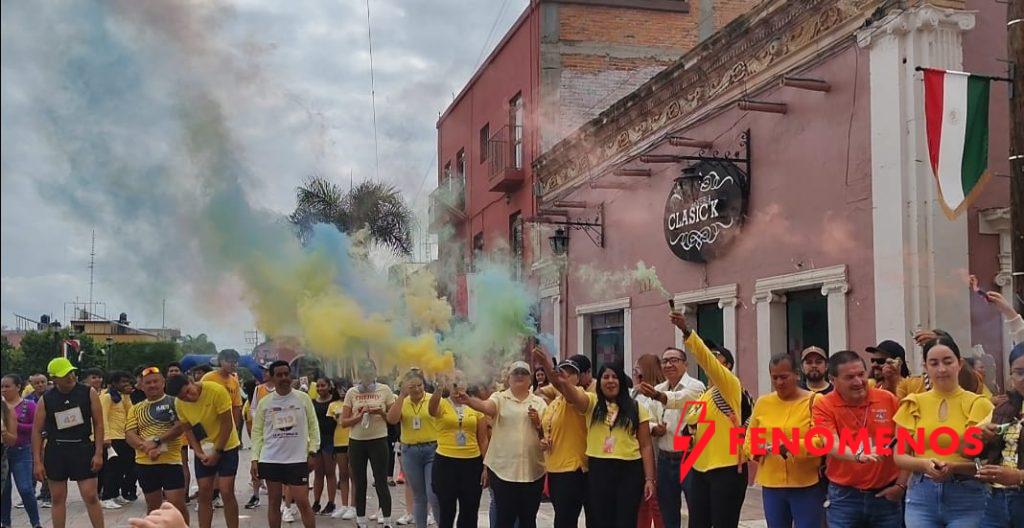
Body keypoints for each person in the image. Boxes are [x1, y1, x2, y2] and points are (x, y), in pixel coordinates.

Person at [540, 348, 656, 528]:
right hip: (599, 469)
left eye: (615, 377)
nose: (610, 381)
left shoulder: (637, 407)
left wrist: (649, 479)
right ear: (599, 382)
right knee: (601, 520)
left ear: (621, 381)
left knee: (626, 520)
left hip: (630, 471)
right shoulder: (592, 403)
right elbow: (567, 390)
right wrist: (551, 370)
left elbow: (646, 446)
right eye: (606, 377)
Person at [894, 334, 994, 527]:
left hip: (968, 495)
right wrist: (925, 465)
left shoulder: (980, 405)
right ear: (925, 367)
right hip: (921, 496)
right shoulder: (913, 403)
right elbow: (900, 456)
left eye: (948, 362)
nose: (941, 369)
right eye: (934, 363)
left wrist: (955, 467)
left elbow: (991, 461)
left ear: (959, 363)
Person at [667, 311, 749, 528]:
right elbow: (690, 428)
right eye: (710, 354)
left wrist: (686, 331)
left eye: (716, 356)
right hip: (700, 470)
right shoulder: (705, 394)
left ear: (728, 366)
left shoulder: (731, 386)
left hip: (727, 469)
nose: (711, 359)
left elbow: (705, 361)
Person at [811, 350, 906, 527]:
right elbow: (830, 443)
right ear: (833, 380)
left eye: (861, 374)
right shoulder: (824, 404)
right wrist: (857, 455)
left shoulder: (887, 399)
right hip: (844, 497)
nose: (858, 382)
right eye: (849, 377)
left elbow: (906, 443)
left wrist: (901, 486)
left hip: (885, 496)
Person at [456, 360, 548, 528]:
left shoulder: (539, 403)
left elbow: (546, 432)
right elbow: (486, 407)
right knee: (504, 519)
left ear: (530, 379)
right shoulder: (500, 398)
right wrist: (469, 401)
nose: (519, 376)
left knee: (528, 520)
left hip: (533, 472)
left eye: (523, 373)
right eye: (516, 373)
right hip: (503, 471)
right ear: (509, 378)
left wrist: (538, 422)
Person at [744, 354, 823, 528]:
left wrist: (791, 446)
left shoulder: (815, 401)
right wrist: (756, 450)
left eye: (784, 377)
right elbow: (750, 439)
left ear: (796, 374)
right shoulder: (763, 403)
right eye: (775, 377)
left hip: (806, 484)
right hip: (772, 485)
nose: (779, 382)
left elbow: (821, 441)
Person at [31, 357, 105, 528]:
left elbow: (99, 424)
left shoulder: (88, 392)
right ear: (54, 378)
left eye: (71, 372)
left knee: (91, 496)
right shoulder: (47, 399)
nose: (70, 377)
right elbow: (36, 431)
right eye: (64, 375)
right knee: (57, 498)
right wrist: (37, 461)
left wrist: (99, 452)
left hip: (82, 447)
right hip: (56, 450)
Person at [637, 347, 706, 528]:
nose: (669, 364)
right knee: (667, 512)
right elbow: (647, 418)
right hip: (665, 458)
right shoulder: (658, 388)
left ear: (685, 364)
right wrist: (654, 428)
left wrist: (657, 395)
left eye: (674, 360)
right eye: (665, 361)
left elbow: (680, 398)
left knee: (697, 509)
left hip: (690, 457)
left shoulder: (696, 386)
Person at [166, 374, 241, 528]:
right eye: (183, 397)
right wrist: (199, 453)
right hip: (205, 448)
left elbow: (227, 425)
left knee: (226, 491)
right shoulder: (179, 403)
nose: (188, 398)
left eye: (188, 392)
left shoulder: (216, 391)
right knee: (204, 491)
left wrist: (218, 451)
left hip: (226, 445)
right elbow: (189, 430)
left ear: (192, 382)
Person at [251, 360, 320, 528]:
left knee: (303, 502)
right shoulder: (265, 403)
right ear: (272, 378)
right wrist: (255, 458)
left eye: (286, 374)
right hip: (271, 459)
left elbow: (313, 426)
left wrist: (312, 452)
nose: (283, 378)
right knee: (274, 503)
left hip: (297, 460)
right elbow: (257, 432)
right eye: (279, 375)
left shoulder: (303, 399)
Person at [124, 366, 188, 523]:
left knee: (176, 505)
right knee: (153, 507)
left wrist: (157, 441)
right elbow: (129, 434)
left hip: (171, 461)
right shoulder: (136, 408)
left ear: (163, 382)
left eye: (155, 381)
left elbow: (180, 427)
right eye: (148, 382)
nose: (152, 385)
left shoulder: (174, 402)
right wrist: (145, 447)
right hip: (145, 463)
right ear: (142, 386)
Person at [339, 358, 398, 528]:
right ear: (359, 373)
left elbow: (393, 419)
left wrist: (380, 412)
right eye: (363, 370)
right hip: (357, 442)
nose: (366, 373)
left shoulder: (384, 390)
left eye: (370, 370)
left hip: (379, 440)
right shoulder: (352, 393)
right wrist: (358, 415)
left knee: (381, 481)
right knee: (359, 481)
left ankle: (387, 520)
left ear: (375, 372)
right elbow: (344, 422)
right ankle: (361, 520)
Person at [535, 356, 591, 528]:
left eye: (570, 373)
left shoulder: (578, 396)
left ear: (578, 377)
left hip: (573, 469)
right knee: (561, 518)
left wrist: (546, 365)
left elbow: (563, 388)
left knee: (565, 520)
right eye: (561, 372)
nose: (564, 376)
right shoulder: (555, 402)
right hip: (554, 468)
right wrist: (543, 440)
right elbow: (547, 430)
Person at [428, 371, 488, 528]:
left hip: (471, 463)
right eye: (453, 381)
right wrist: (439, 387)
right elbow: (431, 410)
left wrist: (485, 466)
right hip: (446, 462)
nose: (457, 384)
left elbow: (483, 439)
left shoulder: (475, 405)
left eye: (460, 380)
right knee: (447, 511)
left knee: (470, 510)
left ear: (467, 383)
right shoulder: (441, 403)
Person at [386, 369, 440, 528]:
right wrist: (402, 396)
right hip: (410, 451)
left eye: (419, 385)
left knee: (433, 494)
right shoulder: (402, 401)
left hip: (432, 450)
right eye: (412, 387)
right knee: (419, 496)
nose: (416, 389)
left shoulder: (432, 399)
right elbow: (391, 419)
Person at [977, 342, 1024, 527]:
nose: (1023, 378)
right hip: (995, 500)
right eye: (1019, 373)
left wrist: (1018, 477)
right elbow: (972, 453)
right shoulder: (1002, 409)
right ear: (1011, 375)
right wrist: (980, 437)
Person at [1, 374, 42, 528]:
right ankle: (5, 523)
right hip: (3, 453)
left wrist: (17, 426)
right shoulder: (2, 406)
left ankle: (35, 522)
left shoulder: (29, 405)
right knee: (4, 491)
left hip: (21, 450)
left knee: (25, 489)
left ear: (18, 387)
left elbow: (38, 426)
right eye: (2, 387)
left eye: (7, 386)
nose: (4, 390)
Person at [631, 353, 666, 528]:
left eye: (638, 368)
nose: (635, 372)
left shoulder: (659, 394)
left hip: (654, 453)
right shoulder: (634, 394)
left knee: (655, 502)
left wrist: (652, 427)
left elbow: (658, 422)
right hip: (635, 454)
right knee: (641, 503)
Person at [100, 370, 137, 509]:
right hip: (113, 438)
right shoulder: (107, 397)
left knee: (122, 467)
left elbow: (131, 412)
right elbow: (102, 417)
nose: (125, 384)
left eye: (127, 382)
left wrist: (127, 396)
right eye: (122, 382)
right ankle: (107, 496)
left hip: (124, 436)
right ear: (114, 383)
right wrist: (106, 436)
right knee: (112, 469)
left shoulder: (122, 397)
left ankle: (116, 494)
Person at [245, 363, 274, 510]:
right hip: (262, 432)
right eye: (263, 370)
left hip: (276, 433)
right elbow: (253, 408)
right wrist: (261, 418)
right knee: (255, 464)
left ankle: (281, 498)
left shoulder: (280, 390)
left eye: (267, 371)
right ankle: (255, 495)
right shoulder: (259, 389)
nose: (264, 373)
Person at [201, 349, 244, 447]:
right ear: (220, 361)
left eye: (235, 362)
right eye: (229, 361)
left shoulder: (234, 381)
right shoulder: (208, 378)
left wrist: (235, 427)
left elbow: (236, 406)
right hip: (210, 428)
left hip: (228, 427)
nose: (233, 364)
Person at [328, 378, 356, 520]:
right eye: (339, 388)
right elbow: (330, 426)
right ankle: (344, 505)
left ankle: (354, 506)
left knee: (353, 475)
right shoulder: (332, 405)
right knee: (343, 474)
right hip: (338, 442)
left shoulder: (355, 402)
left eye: (344, 388)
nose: (342, 391)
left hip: (353, 440)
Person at [311, 376, 340, 516]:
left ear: (329, 386)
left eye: (323, 385)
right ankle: (316, 502)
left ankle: (331, 502)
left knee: (330, 472)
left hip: (331, 440)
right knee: (318, 473)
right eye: (318, 386)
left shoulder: (335, 403)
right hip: (317, 440)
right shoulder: (312, 402)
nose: (320, 388)